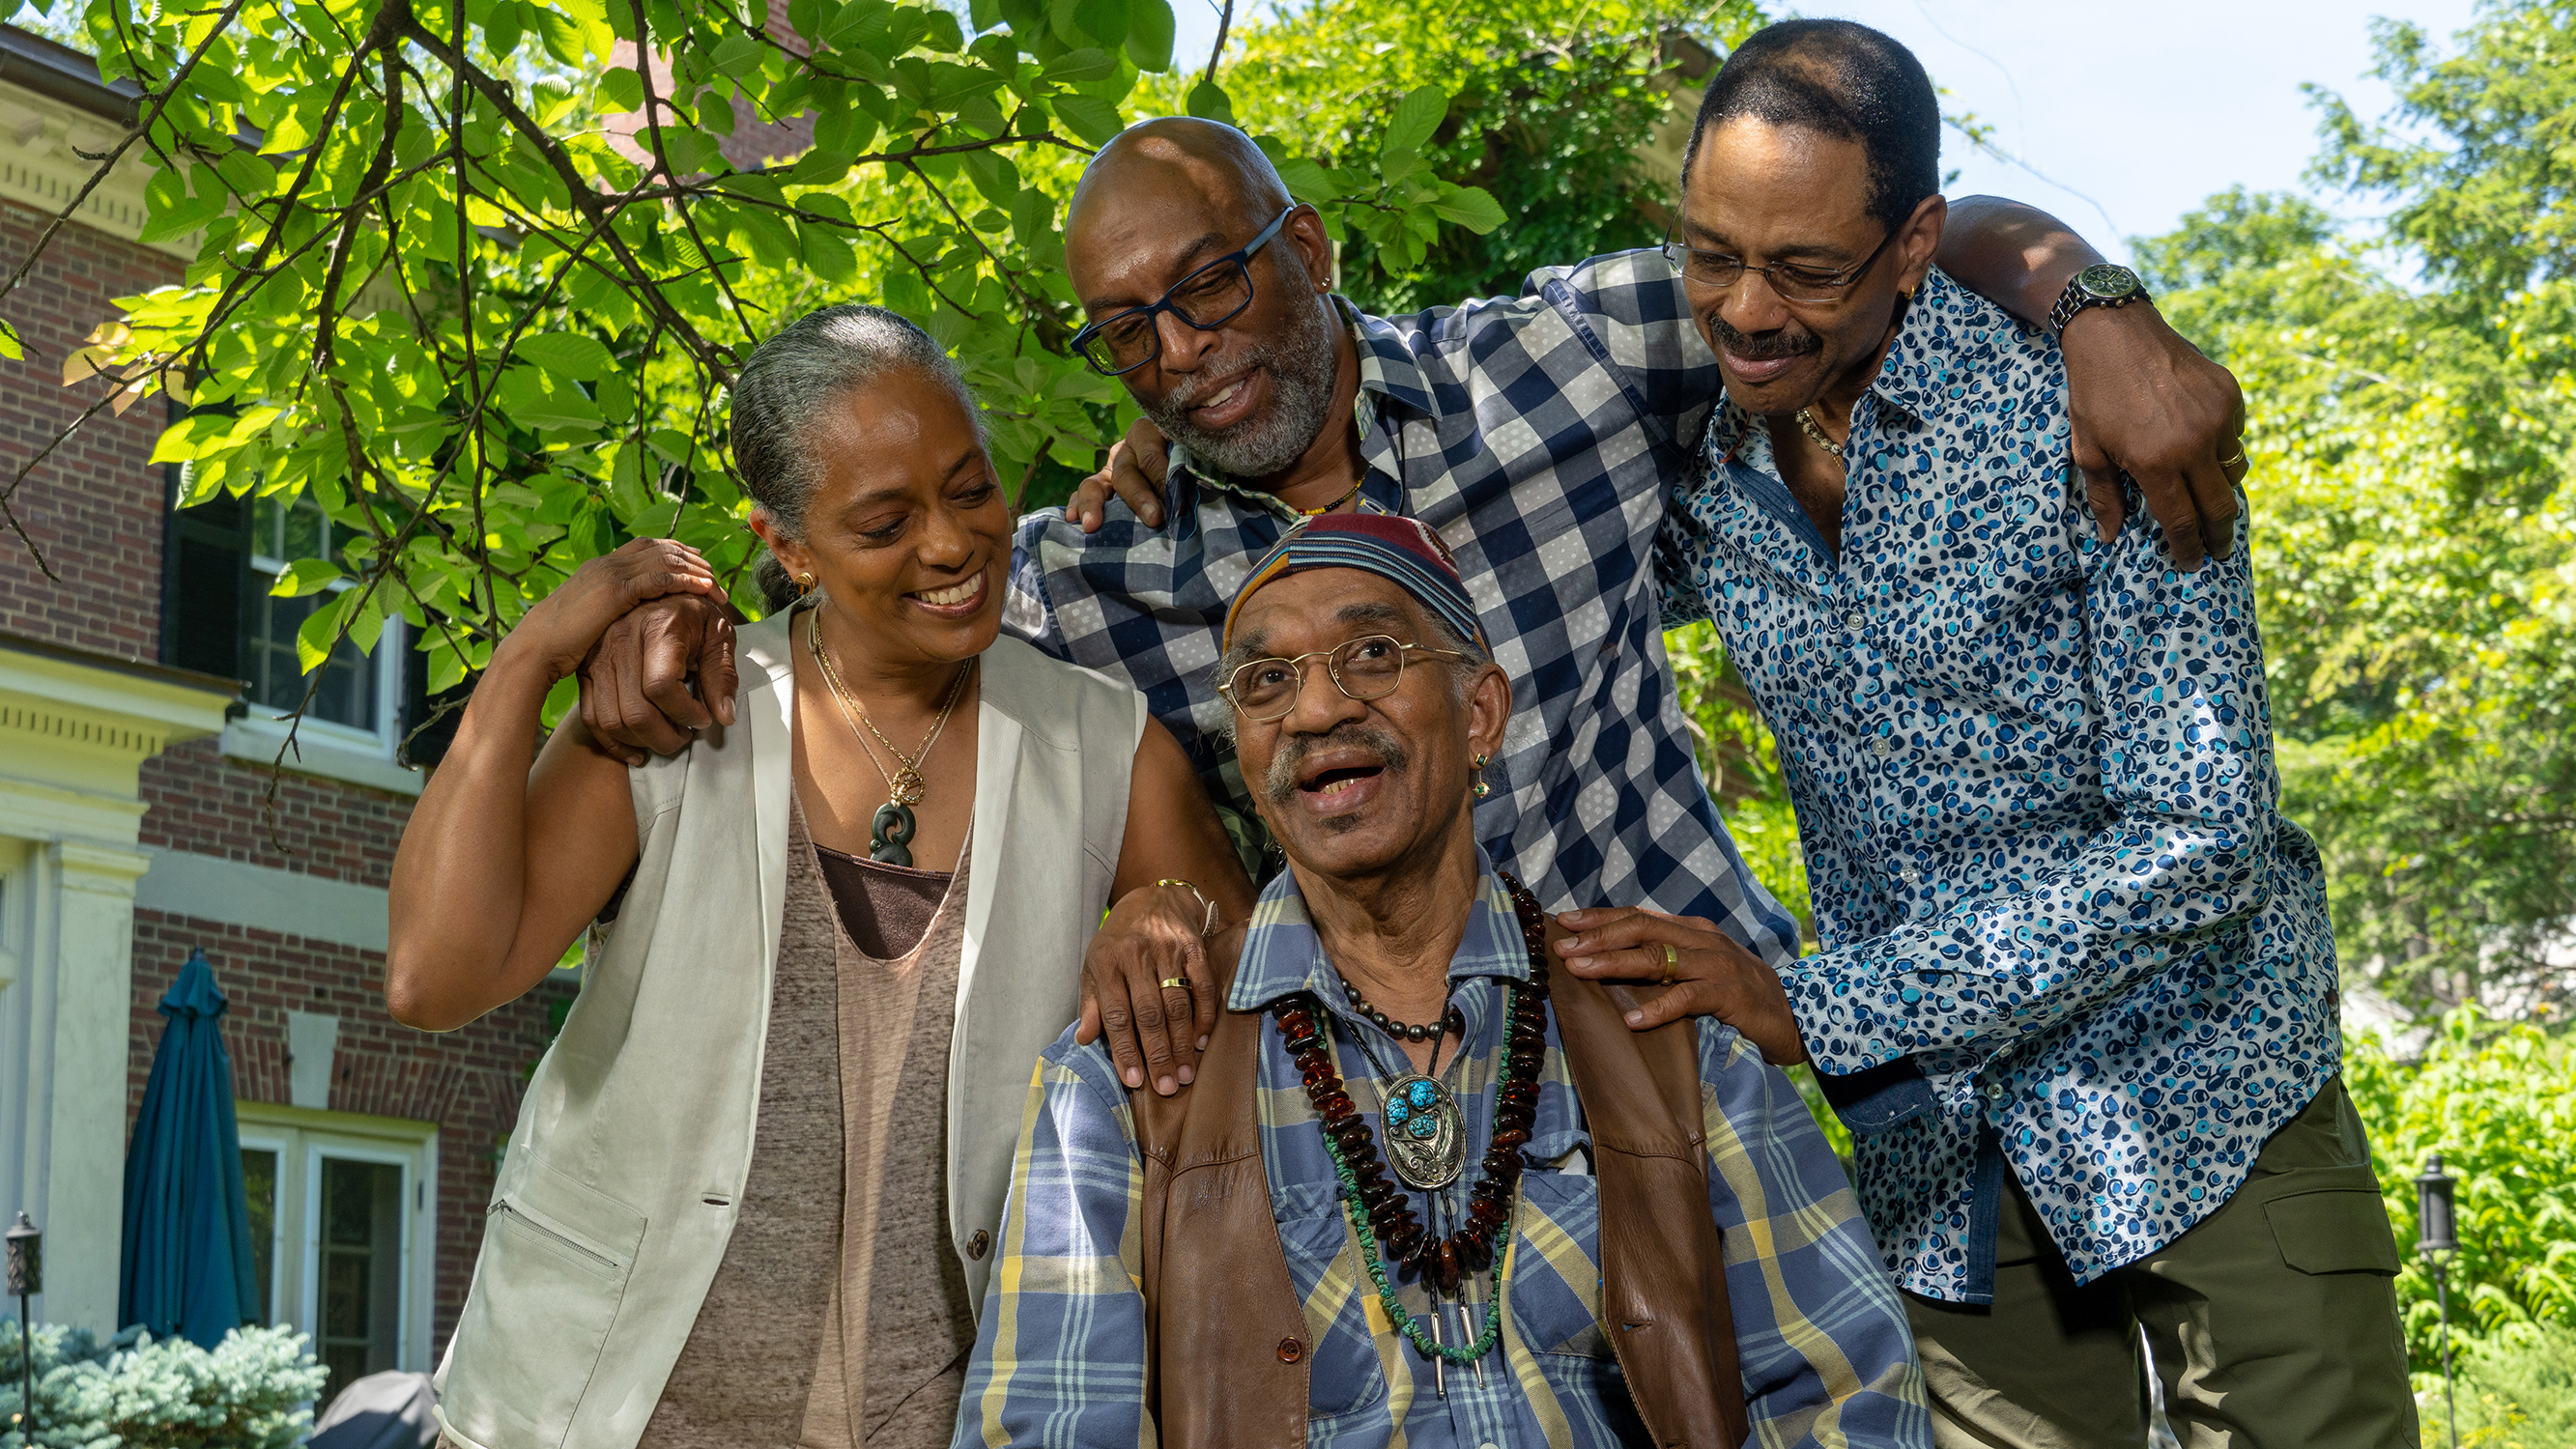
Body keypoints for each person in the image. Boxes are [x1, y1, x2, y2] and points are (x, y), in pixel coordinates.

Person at [573, 118, 2244, 1090]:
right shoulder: (1096, 586)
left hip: (1709, 1068)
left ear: (1305, 247)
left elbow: (1835, 246)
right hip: (1405, 1157)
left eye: (1210, 284)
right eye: (1127, 331)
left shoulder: (1568, 364)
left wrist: (2094, 308)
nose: (1181, 352)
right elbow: (867, 611)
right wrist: (671, 616)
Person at [1557, 20, 2416, 1447]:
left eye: (1806, 270)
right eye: (1710, 256)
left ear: (1913, 244)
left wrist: (1827, 1008)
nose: (1746, 311)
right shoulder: (1695, 459)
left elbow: (2201, 833)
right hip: (1944, 1175)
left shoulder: (2086, 417)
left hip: (2206, 1107)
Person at [386, 305, 1255, 1449]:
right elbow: (434, 980)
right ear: (788, 545)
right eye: (885, 522)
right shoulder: (675, 713)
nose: (951, 545)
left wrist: (1164, 907)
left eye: (971, 489)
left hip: (948, 1414)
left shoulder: (1100, 743)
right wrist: (528, 660)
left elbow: (1255, 1004)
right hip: (614, 1399)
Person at [954, 512, 1930, 1448]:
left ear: (1480, 715)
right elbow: (1053, 1424)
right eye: (1266, 680)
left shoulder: (1668, 1032)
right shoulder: (1126, 1083)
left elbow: (1848, 1397)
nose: (1317, 709)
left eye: (1372, 654)